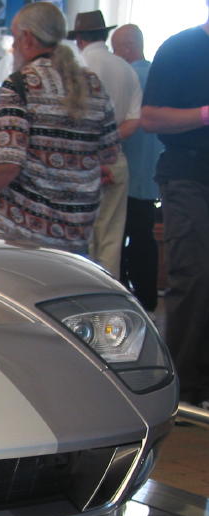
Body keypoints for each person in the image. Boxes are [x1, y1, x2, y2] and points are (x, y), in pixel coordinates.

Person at [0, 2, 119, 256]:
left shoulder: (21, 84)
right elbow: (109, 154)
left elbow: (7, 164)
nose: (14, 47)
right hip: (78, 232)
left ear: (28, 38)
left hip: (25, 234)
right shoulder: (92, 84)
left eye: (15, 38)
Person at [141, 7, 209, 409]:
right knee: (195, 274)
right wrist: (204, 114)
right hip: (189, 175)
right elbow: (150, 117)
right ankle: (184, 388)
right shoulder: (182, 49)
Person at [70, 10, 143, 278]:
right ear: (105, 35)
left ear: (79, 38)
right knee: (112, 237)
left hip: (81, 162)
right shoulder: (126, 68)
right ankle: (107, 297)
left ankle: (81, 297)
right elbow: (135, 120)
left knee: (83, 236)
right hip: (116, 160)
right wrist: (109, 142)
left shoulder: (76, 66)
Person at [112, 23, 163, 311]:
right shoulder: (159, 74)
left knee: (119, 238)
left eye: (117, 49)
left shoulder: (128, 77)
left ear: (129, 47)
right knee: (145, 236)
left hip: (126, 173)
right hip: (152, 176)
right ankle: (149, 298)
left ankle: (126, 298)